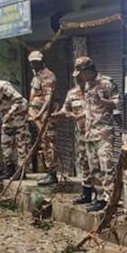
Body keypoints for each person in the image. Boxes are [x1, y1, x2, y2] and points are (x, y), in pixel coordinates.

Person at [74, 57, 121, 212]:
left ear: (88, 70)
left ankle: (110, 200)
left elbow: (117, 105)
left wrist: (103, 101)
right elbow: (90, 109)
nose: (81, 77)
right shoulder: (88, 85)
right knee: (94, 168)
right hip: (90, 132)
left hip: (104, 132)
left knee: (106, 167)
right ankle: (100, 198)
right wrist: (79, 117)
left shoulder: (107, 83)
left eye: (82, 73)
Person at [53, 73, 93, 205]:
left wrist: (80, 116)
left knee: (98, 164)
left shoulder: (94, 91)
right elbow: (65, 110)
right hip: (82, 135)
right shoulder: (72, 94)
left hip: (97, 134)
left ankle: (101, 196)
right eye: (78, 79)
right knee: (84, 162)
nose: (80, 81)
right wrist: (54, 115)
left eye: (82, 78)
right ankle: (87, 193)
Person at [27, 50, 60, 186]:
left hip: (46, 116)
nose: (34, 64)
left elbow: (48, 99)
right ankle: (49, 171)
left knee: (48, 143)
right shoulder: (37, 76)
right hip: (37, 116)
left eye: (36, 62)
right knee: (43, 142)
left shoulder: (47, 76)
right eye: (32, 62)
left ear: (42, 62)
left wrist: (40, 114)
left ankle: (52, 173)